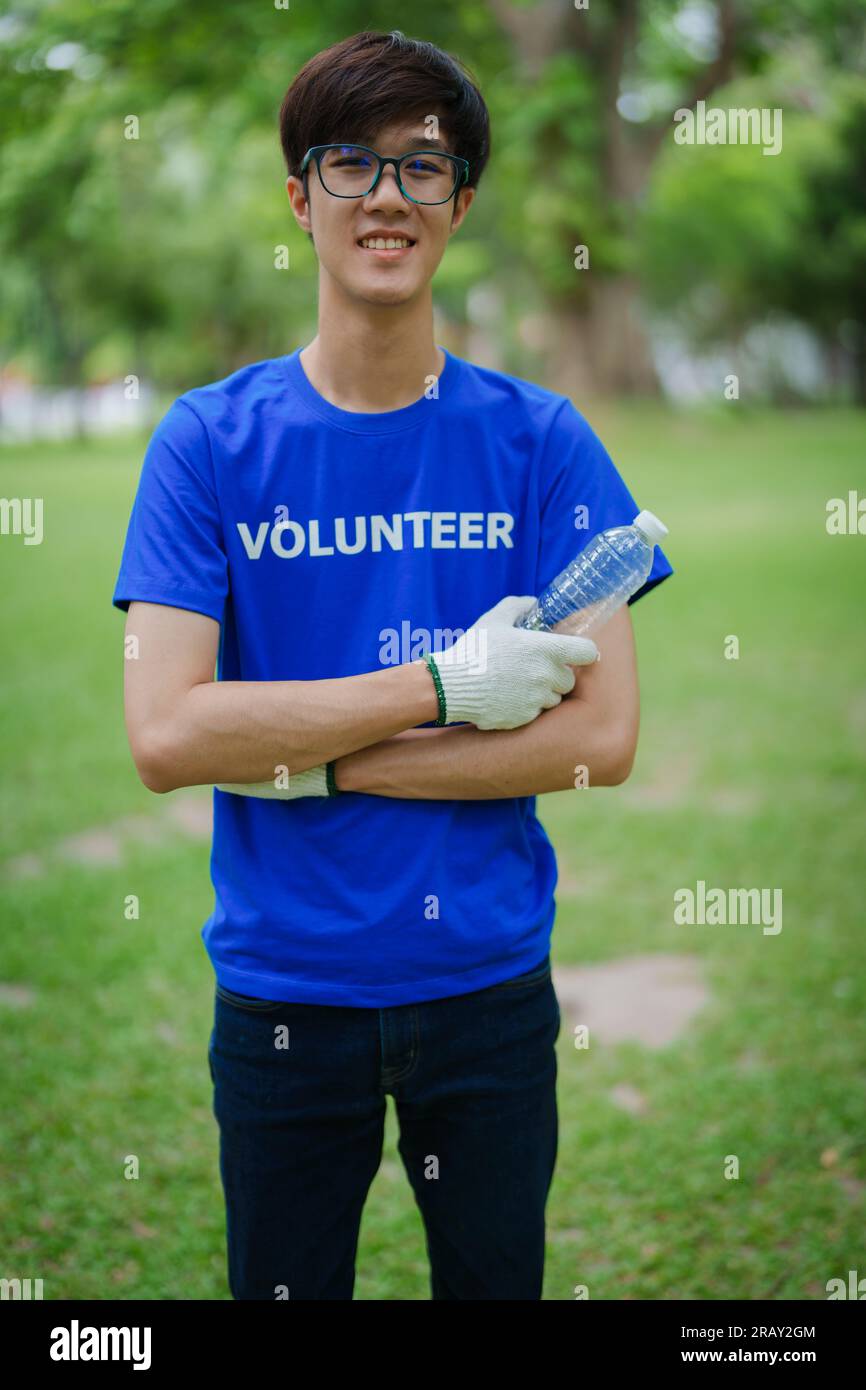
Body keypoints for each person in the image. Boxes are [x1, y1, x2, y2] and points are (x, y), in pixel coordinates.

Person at [112, 29, 673, 1301]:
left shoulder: (543, 442)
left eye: (423, 168)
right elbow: (162, 737)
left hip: (483, 988)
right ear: (298, 196)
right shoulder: (205, 444)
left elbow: (600, 741)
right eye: (349, 162)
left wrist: (302, 759)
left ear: (460, 204)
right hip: (280, 996)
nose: (386, 195)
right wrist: (440, 692)